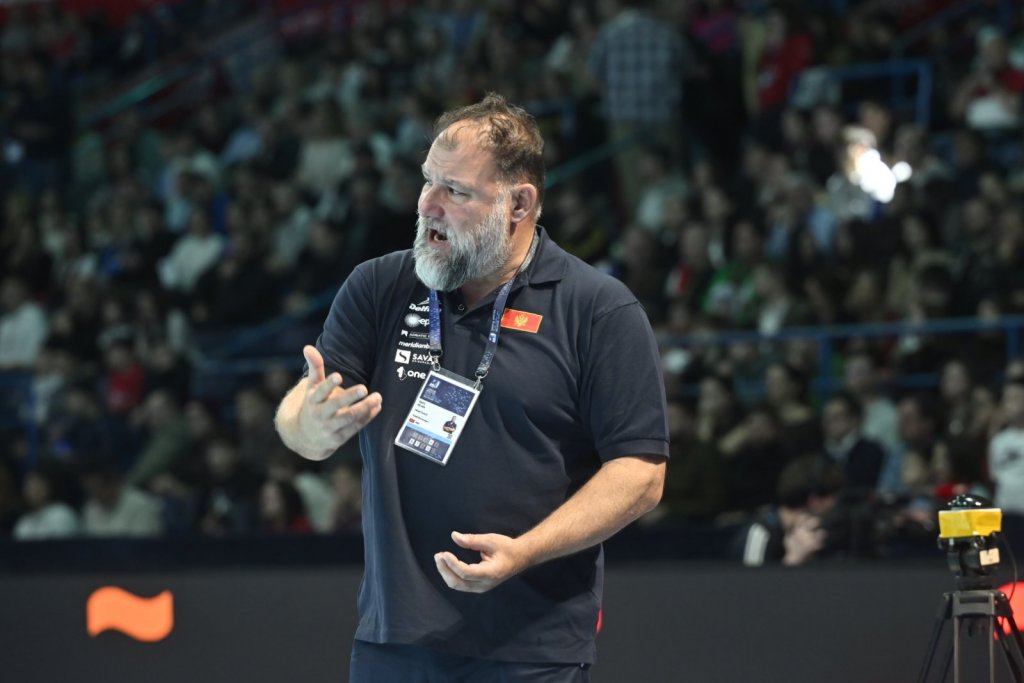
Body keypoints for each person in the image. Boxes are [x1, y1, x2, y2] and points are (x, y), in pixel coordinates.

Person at [274, 93, 668, 681]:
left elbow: (640, 475)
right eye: (428, 180)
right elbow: (301, 424)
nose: (427, 205)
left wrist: (526, 551)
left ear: (518, 204)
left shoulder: (598, 309)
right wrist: (310, 423)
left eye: (455, 191)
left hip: (531, 647)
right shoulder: (379, 286)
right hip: (394, 641)